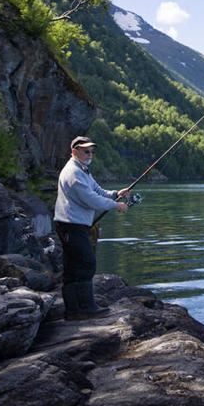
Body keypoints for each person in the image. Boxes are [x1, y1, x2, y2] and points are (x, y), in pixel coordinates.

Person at [54, 136, 129, 319]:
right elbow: (91, 199)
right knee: (86, 263)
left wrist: (115, 194)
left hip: (75, 224)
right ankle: (85, 308)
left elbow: (97, 190)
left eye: (91, 151)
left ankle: (74, 311)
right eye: (86, 151)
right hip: (70, 225)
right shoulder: (73, 173)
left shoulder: (83, 170)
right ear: (74, 152)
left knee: (73, 266)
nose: (89, 154)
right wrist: (116, 205)